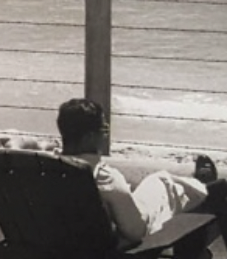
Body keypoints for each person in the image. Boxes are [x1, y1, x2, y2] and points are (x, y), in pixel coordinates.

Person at [56, 98, 215, 247]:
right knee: (163, 182)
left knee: (154, 185)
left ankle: (198, 185)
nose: (105, 135)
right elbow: (135, 232)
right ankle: (204, 186)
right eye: (103, 129)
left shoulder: (46, 170)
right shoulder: (104, 178)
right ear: (89, 137)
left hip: (62, 244)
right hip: (107, 247)